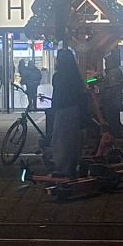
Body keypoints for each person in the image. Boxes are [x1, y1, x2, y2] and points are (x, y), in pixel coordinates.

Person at [49, 48, 87, 178]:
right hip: (74, 110)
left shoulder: (58, 76)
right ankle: (71, 166)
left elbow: (57, 95)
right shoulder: (75, 75)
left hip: (63, 110)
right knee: (72, 140)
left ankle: (61, 168)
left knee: (61, 140)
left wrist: (53, 109)